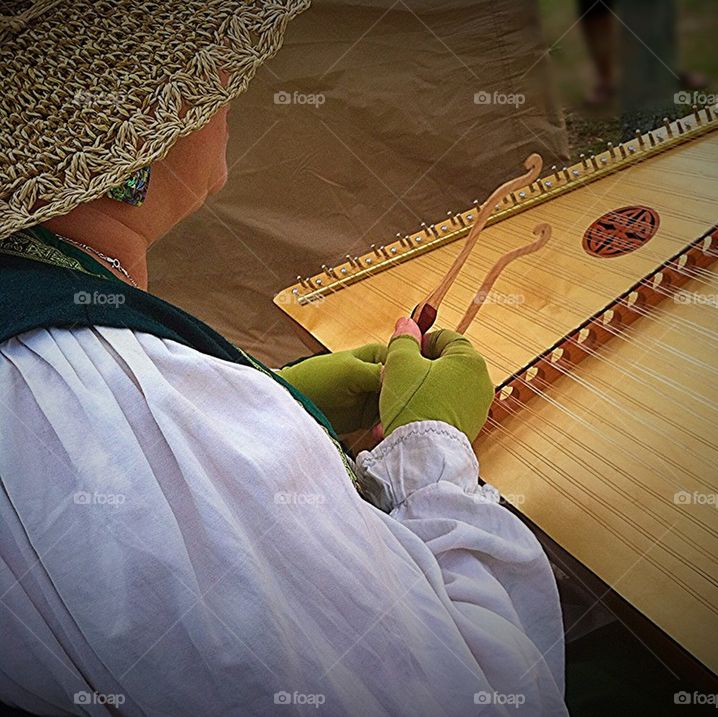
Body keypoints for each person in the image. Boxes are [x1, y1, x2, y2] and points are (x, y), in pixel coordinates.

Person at [0, 2, 566, 715]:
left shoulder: (36, 322)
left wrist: (282, 401)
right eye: (201, 74)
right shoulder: (112, 399)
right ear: (129, 144)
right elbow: (469, 694)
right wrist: (433, 452)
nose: (231, 84)